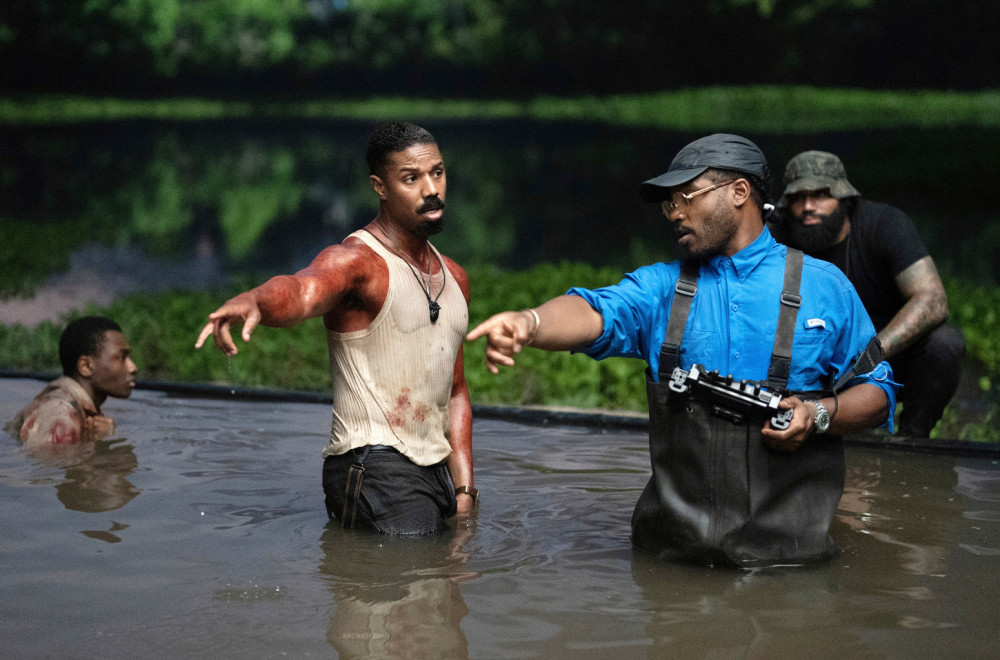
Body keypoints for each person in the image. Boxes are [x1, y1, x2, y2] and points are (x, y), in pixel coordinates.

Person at [467, 134, 899, 567]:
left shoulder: (824, 287)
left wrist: (818, 414)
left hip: (792, 565)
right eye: (668, 203)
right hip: (669, 562)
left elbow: (878, 394)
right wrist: (530, 322)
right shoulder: (661, 289)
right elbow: (594, 311)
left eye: (686, 196)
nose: (674, 213)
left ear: (739, 192)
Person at [195, 122, 475, 535]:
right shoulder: (356, 261)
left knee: (442, 588)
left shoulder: (455, 277)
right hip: (373, 464)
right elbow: (303, 291)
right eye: (411, 178)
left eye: (437, 172)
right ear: (380, 187)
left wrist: (465, 489)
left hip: (435, 472)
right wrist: (255, 300)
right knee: (414, 579)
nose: (430, 189)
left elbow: (455, 392)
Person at [772, 150, 965, 438]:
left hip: (887, 355)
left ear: (844, 198)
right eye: (798, 197)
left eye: (821, 195)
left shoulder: (882, 224)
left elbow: (932, 299)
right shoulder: (779, 235)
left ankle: (912, 440)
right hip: (815, 360)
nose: (808, 206)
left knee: (944, 343)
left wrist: (873, 351)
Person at [6, 316, 137, 447]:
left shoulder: (81, 408)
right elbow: (47, 466)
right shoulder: (61, 413)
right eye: (121, 357)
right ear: (85, 366)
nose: (133, 367)